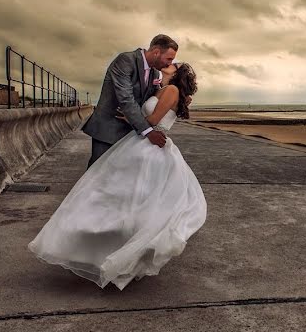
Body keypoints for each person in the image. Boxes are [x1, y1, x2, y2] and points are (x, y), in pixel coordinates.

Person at [28, 63, 204, 290]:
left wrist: (131, 119)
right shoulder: (162, 88)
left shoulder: (171, 91)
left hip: (150, 148)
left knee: (129, 200)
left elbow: (153, 121)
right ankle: (110, 248)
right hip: (139, 144)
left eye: (172, 64)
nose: (167, 65)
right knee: (120, 199)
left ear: (175, 72)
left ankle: (121, 251)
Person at [81, 34, 179, 168]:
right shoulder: (126, 60)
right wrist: (148, 131)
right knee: (97, 170)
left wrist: (182, 97)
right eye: (169, 58)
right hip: (108, 129)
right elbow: (126, 99)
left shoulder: (155, 73)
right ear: (156, 52)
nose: (170, 63)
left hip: (131, 133)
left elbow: (156, 98)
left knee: (119, 175)